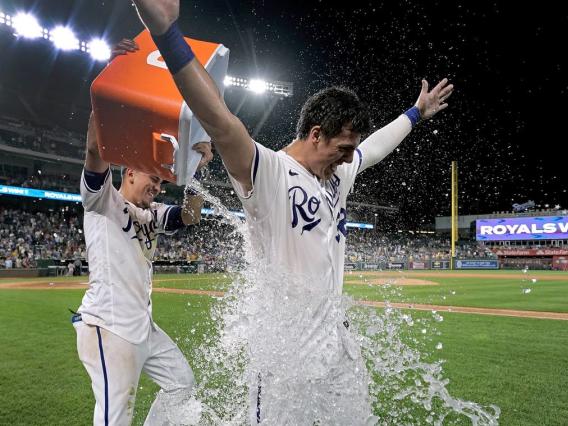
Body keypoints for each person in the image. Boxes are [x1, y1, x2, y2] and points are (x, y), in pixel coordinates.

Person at [132, 1, 453, 423]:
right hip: (285, 360)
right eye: (342, 149)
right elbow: (222, 123)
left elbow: (373, 149)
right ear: (316, 134)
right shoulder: (270, 173)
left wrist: (416, 113)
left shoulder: (337, 174)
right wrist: (167, 36)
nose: (348, 159)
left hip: (337, 350)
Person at [72, 39, 214, 425]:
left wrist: (197, 170)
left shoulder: (151, 214)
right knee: (115, 417)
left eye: (162, 183)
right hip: (109, 326)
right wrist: (108, 86)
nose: (158, 186)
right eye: (154, 178)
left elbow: (188, 217)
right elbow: (93, 151)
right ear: (130, 171)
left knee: (182, 383)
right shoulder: (103, 202)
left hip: (142, 326)